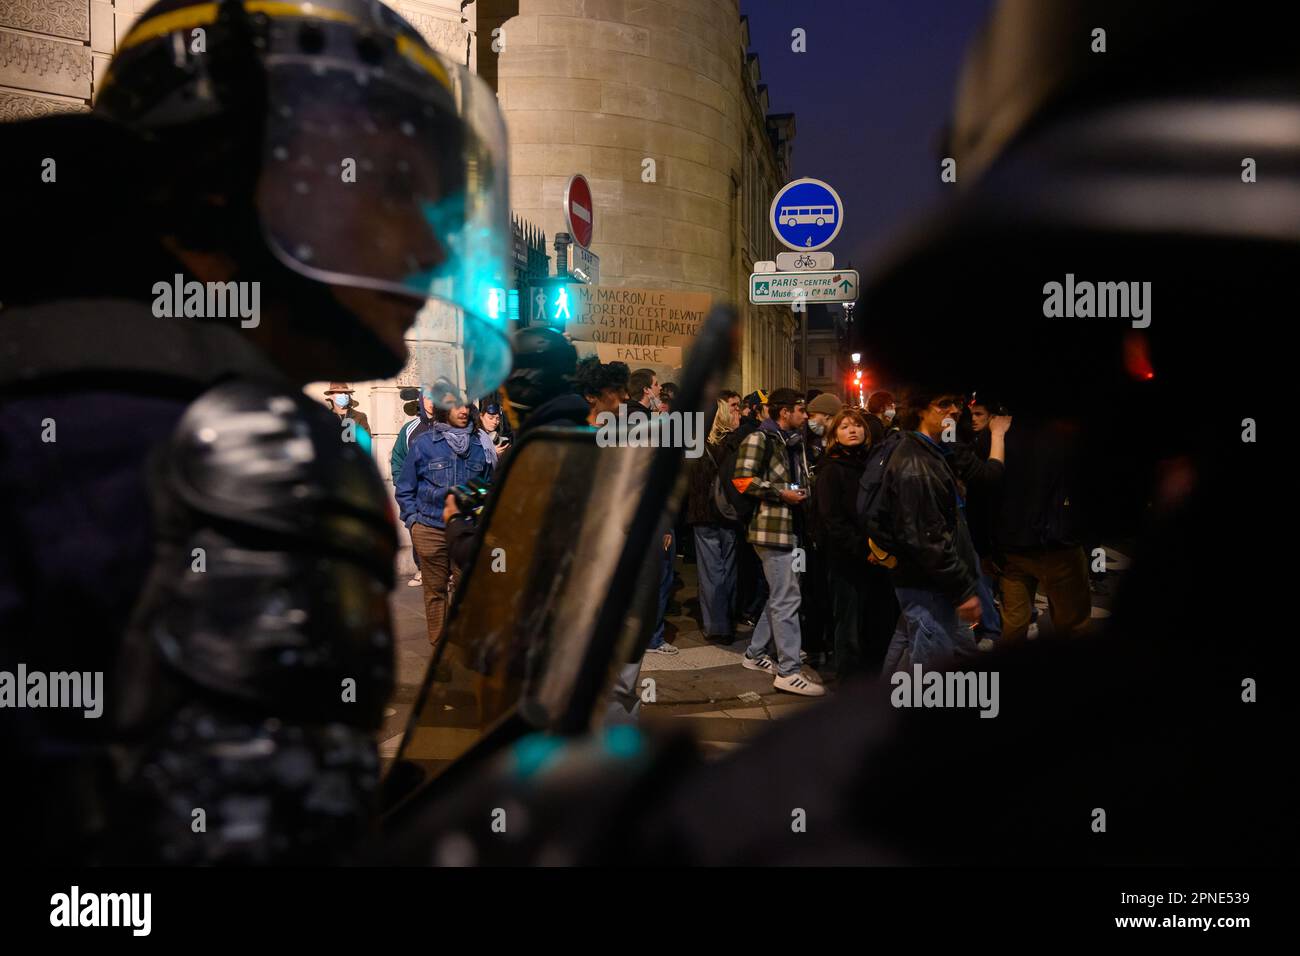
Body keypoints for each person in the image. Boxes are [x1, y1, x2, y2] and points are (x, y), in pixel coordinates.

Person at [0, 0, 513, 865]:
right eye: (389, 188)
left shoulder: (50, 373)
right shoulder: (251, 449)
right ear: (219, 187)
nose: (429, 243)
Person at [875, 389, 983, 672]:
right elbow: (927, 539)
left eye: (956, 403)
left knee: (952, 652)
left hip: (935, 582)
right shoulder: (916, 463)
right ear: (921, 411)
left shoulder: (930, 451)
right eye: (943, 405)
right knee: (931, 670)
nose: (954, 411)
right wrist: (963, 590)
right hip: (929, 584)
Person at [734, 388, 823, 696]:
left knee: (782, 595)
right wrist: (780, 492)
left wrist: (796, 491)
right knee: (787, 599)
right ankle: (788, 671)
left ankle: (755, 653)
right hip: (771, 529)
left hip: (791, 528)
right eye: (801, 409)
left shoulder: (792, 442)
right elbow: (742, 479)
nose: (806, 415)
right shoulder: (760, 438)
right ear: (784, 412)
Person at [396, 400, 495, 656]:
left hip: (466, 531)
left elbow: (489, 487)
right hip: (429, 528)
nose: (463, 411)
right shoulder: (424, 444)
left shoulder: (479, 444)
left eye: (466, 406)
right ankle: (440, 652)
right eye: (456, 406)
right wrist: (413, 521)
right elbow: (405, 487)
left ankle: (462, 649)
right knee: (435, 591)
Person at [814, 408, 899, 677]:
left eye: (857, 426)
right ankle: (849, 683)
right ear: (834, 435)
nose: (852, 430)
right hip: (847, 558)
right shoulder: (831, 469)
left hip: (876, 555)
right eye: (844, 427)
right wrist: (864, 550)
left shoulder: (872, 464)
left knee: (877, 618)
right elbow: (832, 519)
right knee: (848, 622)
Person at [687, 398, 741, 645]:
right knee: (728, 569)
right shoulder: (732, 443)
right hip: (728, 513)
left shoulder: (693, 444)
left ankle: (716, 626)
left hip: (702, 514)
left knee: (711, 571)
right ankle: (727, 621)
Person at [391, 386, 438, 588]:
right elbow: (398, 459)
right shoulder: (409, 429)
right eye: (427, 397)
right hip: (418, 492)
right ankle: (421, 570)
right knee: (417, 531)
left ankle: (445, 572)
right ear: (421, 399)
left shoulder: (447, 425)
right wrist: (403, 485)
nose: (431, 402)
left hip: (441, 492)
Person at [574, 356, 630, 426]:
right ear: (591, 396)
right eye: (616, 390)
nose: (627, 397)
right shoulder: (572, 433)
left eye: (625, 390)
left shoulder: (626, 430)